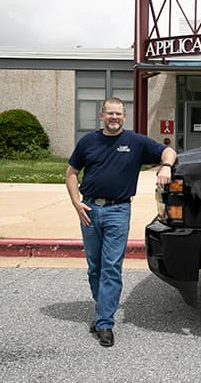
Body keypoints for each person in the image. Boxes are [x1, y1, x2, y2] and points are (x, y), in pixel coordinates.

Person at [65, 97, 177, 347]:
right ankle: (102, 308)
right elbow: (71, 173)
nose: (114, 118)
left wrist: (165, 167)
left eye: (119, 114)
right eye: (110, 114)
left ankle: (104, 322)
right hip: (90, 210)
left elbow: (168, 151)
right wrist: (76, 202)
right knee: (94, 267)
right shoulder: (88, 142)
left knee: (111, 267)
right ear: (101, 115)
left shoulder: (135, 142)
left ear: (124, 117)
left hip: (118, 211)